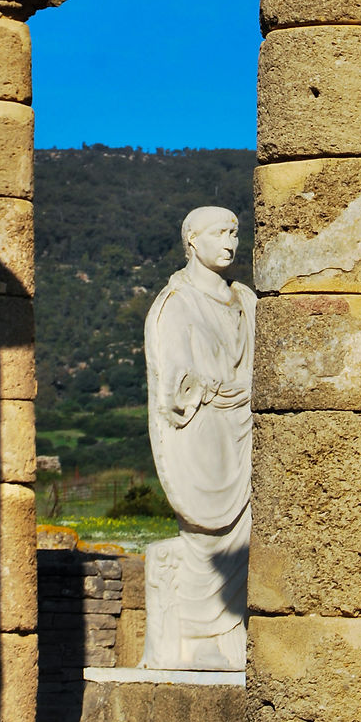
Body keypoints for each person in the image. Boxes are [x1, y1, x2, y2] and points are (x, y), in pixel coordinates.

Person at [141, 206, 255, 670]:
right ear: (192, 240)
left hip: (245, 426)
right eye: (219, 233)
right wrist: (210, 391)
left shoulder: (245, 299)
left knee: (246, 527)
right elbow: (171, 387)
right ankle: (194, 637)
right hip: (203, 428)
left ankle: (230, 631)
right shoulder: (175, 305)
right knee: (207, 529)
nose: (230, 243)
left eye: (235, 233)